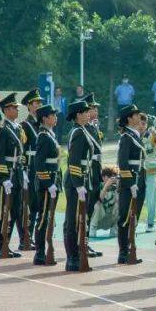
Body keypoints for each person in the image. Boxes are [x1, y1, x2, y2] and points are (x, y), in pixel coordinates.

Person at [0, 93, 25, 258]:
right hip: (6, 176)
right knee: (2, 211)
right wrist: (4, 178)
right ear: (6, 110)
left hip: (17, 173)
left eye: (17, 107)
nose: (17, 110)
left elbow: (20, 154)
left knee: (14, 210)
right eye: (13, 108)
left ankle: (6, 244)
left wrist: (22, 172)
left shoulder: (17, 128)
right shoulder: (2, 130)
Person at [115, 104, 148, 264]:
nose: (138, 116)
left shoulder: (135, 136)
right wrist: (130, 183)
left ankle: (130, 248)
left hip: (139, 180)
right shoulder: (126, 137)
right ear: (129, 118)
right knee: (125, 217)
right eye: (135, 114)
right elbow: (123, 163)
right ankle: (123, 252)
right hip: (130, 183)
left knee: (134, 216)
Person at [63, 98, 92, 271]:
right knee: (73, 220)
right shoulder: (78, 132)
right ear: (79, 115)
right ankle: (72, 257)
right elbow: (73, 161)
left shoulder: (81, 130)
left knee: (79, 219)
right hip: (76, 182)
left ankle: (76, 255)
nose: (89, 114)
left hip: (81, 179)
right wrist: (79, 184)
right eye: (86, 112)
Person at [32, 104, 61, 265]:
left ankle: (44, 251)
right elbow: (39, 163)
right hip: (46, 182)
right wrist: (49, 183)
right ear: (44, 118)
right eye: (52, 115)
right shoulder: (43, 136)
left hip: (52, 179)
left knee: (48, 217)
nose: (55, 117)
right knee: (43, 218)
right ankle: (40, 253)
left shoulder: (50, 134)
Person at [20, 88, 43, 252]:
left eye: (40, 102)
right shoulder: (24, 125)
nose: (39, 105)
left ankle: (32, 236)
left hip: (41, 168)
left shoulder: (41, 124)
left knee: (37, 204)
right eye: (36, 102)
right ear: (29, 105)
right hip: (30, 167)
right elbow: (22, 149)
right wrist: (24, 170)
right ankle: (25, 238)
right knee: (28, 205)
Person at [83, 94, 104, 258]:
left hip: (96, 171)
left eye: (96, 108)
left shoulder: (94, 127)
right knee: (85, 210)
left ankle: (86, 241)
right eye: (92, 108)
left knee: (91, 209)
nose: (95, 110)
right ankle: (82, 242)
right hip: (88, 173)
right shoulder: (84, 128)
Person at [90, 167, 119, 238]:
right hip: (99, 220)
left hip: (110, 219)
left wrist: (119, 187)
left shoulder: (115, 188)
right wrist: (106, 187)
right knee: (98, 205)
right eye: (109, 176)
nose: (111, 179)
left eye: (112, 177)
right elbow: (100, 200)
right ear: (103, 177)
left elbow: (119, 201)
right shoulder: (98, 186)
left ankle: (114, 229)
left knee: (120, 206)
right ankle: (92, 229)